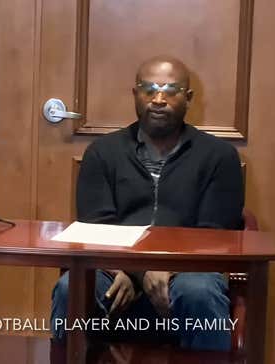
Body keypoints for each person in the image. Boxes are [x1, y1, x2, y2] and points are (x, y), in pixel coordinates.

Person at [51, 56, 244, 351]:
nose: (158, 99)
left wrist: (165, 269)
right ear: (135, 94)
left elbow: (215, 235)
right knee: (71, 289)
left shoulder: (219, 156)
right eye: (149, 88)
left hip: (188, 272)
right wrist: (136, 272)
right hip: (116, 270)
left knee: (200, 291)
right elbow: (96, 228)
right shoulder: (102, 153)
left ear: (188, 98)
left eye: (171, 90)